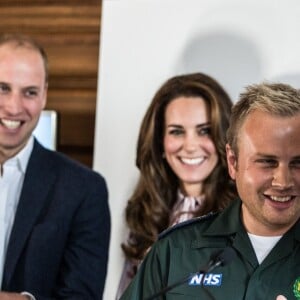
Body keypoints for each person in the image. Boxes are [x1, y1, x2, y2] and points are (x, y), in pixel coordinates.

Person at [120, 81, 300, 300]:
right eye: (267, 162)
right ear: (233, 162)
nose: (283, 181)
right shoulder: (173, 251)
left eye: (298, 164)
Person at [0, 34, 110, 299]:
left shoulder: (84, 190)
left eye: (29, 92)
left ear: (45, 95)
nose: (14, 107)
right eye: (2, 88)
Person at [117, 73, 237, 298]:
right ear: (159, 141)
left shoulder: (247, 214)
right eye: (177, 131)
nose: (190, 146)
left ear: (225, 137)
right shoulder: (145, 214)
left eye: (204, 131)